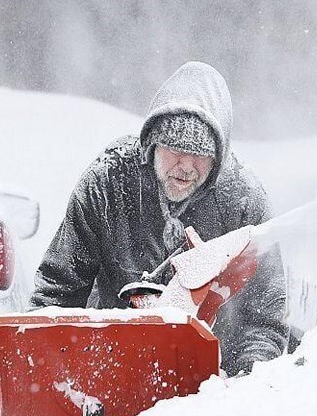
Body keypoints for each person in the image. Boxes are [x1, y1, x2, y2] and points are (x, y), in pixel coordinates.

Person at [31, 61, 287, 376]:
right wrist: (49, 372)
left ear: (218, 157)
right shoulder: (107, 184)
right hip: (111, 366)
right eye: (175, 150)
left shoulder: (243, 203)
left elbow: (265, 322)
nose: (186, 166)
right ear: (153, 144)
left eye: (201, 154)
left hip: (212, 379)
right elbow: (58, 290)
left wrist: (240, 387)